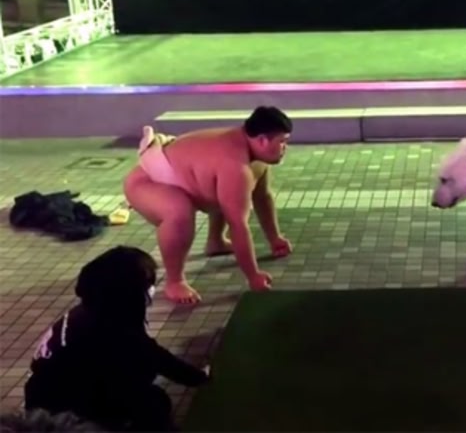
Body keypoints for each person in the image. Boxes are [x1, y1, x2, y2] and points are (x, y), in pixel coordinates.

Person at [23, 246, 210, 432]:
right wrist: (200, 378)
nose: (152, 289)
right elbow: (155, 359)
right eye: (148, 284)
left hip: (46, 403)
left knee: (149, 395)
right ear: (129, 291)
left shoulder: (91, 311)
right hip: (61, 418)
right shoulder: (111, 329)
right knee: (151, 404)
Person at [123, 106, 294, 305]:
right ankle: (174, 281)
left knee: (227, 193)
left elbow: (262, 197)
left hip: (178, 176)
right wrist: (253, 276)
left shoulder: (254, 156)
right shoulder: (236, 166)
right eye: (282, 142)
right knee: (179, 212)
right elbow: (238, 225)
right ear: (262, 140)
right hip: (147, 183)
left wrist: (275, 238)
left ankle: (216, 241)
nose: (285, 148)